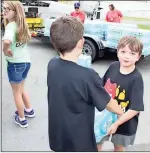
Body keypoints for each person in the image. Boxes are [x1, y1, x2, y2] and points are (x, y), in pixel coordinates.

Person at [47, 16, 124, 152]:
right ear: (81, 42)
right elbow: (107, 102)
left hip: (57, 135)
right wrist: (120, 110)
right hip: (79, 141)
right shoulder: (87, 76)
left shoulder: (52, 64)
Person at [97, 36, 144, 152]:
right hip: (104, 118)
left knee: (118, 147)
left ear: (138, 57)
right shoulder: (113, 66)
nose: (126, 56)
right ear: (117, 52)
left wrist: (117, 123)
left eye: (132, 53)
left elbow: (135, 108)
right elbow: (101, 88)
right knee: (96, 143)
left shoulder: (136, 79)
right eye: (123, 51)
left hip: (124, 123)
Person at [2, 1, 35, 128]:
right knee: (21, 89)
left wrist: (5, 49)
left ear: (15, 11)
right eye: (3, 8)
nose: (4, 11)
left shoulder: (11, 26)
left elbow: (7, 41)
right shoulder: (22, 25)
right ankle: (29, 110)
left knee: (16, 93)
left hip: (15, 63)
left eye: (7, 9)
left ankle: (21, 119)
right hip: (26, 62)